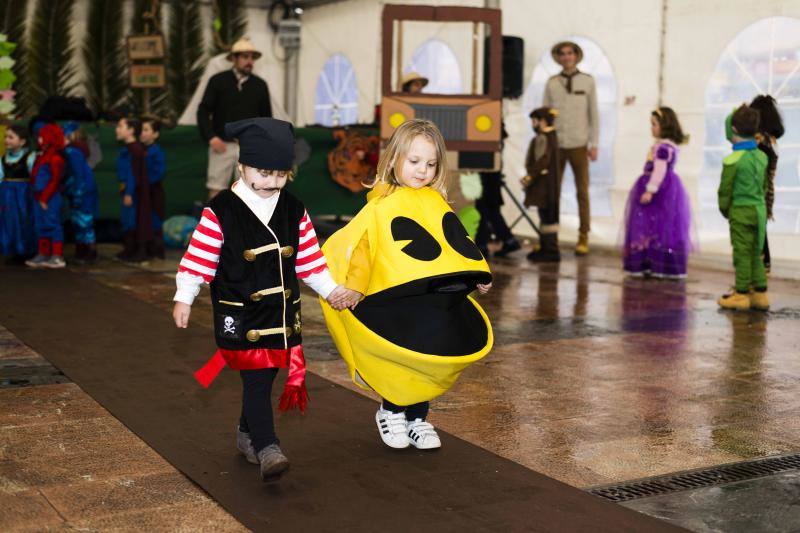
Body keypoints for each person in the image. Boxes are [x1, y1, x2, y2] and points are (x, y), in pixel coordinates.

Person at [172, 117, 350, 482]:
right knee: (257, 378)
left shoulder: (293, 208)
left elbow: (310, 261)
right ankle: (268, 447)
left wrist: (332, 291)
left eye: (281, 175)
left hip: (281, 313)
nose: (272, 182)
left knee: (265, 376)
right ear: (241, 166)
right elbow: (198, 259)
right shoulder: (219, 210)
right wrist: (184, 297)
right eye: (264, 173)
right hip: (242, 314)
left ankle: (245, 433)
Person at [321, 119, 494, 451]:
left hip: (429, 298)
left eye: (430, 164)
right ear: (394, 160)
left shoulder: (434, 202)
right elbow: (364, 247)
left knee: (428, 354)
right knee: (400, 354)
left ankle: (418, 417)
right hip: (397, 299)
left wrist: (476, 276)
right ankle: (392, 410)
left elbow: (456, 241)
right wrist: (355, 287)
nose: (422, 170)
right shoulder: (383, 205)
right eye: (414, 162)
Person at [197, 38, 272, 200]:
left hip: (249, 149)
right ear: (234, 59)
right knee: (216, 191)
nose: (249, 61)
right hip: (221, 145)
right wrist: (211, 137)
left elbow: (266, 120)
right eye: (245, 57)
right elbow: (203, 111)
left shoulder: (260, 85)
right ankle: (215, 226)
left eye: (252, 58)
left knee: (249, 194)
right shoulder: (218, 81)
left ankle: (245, 226)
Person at [543, 40, 599, 256]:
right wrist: (545, 145)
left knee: (582, 191)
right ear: (558, 58)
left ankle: (583, 235)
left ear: (576, 56)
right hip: (556, 144)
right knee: (552, 191)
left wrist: (594, 144)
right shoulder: (552, 83)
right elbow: (544, 116)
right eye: (562, 54)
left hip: (579, 143)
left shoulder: (588, 81)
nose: (566, 57)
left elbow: (594, 114)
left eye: (570, 53)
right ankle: (550, 237)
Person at [621, 108, 692, 278]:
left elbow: (659, 171)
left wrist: (650, 190)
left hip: (658, 188)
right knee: (659, 226)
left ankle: (653, 263)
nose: (651, 128)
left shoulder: (662, 148)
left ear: (664, 126)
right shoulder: (668, 146)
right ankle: (653, 262)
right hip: (665, 187)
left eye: (654, 124)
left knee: (651, 225)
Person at [717, 104, 768, 311]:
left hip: (741, 210)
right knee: (757, 251)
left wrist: (725, 209)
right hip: (759, 210)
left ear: (734, 129)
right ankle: (760, 293)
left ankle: (741, 293)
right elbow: (765, 186)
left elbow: (725, 191)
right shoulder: (762, 157)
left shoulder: (733, 160)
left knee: (742, 252)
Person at [749, 95, 784, 274]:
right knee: (761, 228)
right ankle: (764, 264)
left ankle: (761, 264)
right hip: (768, 190)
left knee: (756, 229)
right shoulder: (771, 140)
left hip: (758, 190)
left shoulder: (761, 140)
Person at [522, 107, 561, 262]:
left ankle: (551, 250)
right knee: (545, 214)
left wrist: (530, 175)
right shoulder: (548, 137)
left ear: (543, 121)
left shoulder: (545, 138)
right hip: (545, 184)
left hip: (545, 185)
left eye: (535, 121)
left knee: (548, 215)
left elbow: (543, 159)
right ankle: (546, 247)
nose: (533, 124)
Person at [475, 125, 520, 259]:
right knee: (492, 212)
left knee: (484, 211)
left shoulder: (489, 138)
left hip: (487, 179)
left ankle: (483, 245)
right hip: (491, 178)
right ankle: (508, 240)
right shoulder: (496, 139)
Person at [25, 122, 66, 269]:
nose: (39, 140)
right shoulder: (41, 156)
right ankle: (43, 253)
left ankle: (57, 255)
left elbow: (55, 180)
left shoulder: (55, 159)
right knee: (40, 225)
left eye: (42, 137)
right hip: (38, 196)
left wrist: (45, 197)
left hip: (49, 198)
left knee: (52, 224)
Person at [62, 122, 99, 263]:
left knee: (84, 222)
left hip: (82, 192)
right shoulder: (74, 151)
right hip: (80, 191)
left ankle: (90, 251)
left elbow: (79, 175)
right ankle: (83, 249)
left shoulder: (73, 152)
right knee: (79, 221)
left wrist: (77, 192)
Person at [0, 125, 36, 262]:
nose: (7, 140)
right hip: (6, 196)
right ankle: (12, 249)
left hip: (23, 195)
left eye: (11, 137)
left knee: (23, 220)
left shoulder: (29, 157)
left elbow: (35, 175)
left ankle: (25, 250)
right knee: (8, 222)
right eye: (5, 137)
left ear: (22, 141)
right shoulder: (3, 159)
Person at [141, 117, 166, 259]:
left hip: (154, 192)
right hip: (143, 192)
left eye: (146, 130)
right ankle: (146, 249)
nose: (142, 133)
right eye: (141, 130)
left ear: (155, 134)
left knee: (155, 221)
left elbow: (158, 172)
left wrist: (146, 183)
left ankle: (157, 251)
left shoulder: (156, 152)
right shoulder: (139, 150)